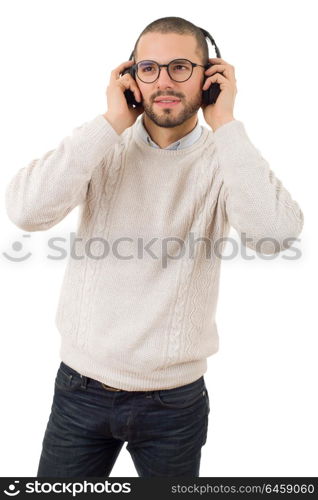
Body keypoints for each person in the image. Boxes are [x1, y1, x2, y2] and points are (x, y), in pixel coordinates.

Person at [5, 16, 304, 478]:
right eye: (149, 68)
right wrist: (110, 122)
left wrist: (225, 123)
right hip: (79, 390)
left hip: (175, 402)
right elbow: (26, 211)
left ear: (211, 77)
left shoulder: (226, 158)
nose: (164, 81)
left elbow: (275, 234)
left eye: (181, 67)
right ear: (130, 77)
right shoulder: (102, 145)